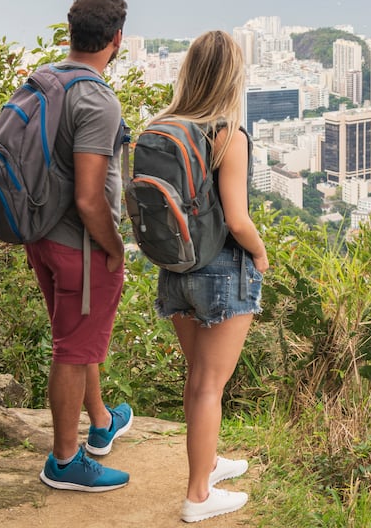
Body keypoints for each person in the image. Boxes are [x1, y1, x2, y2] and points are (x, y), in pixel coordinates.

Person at [153, 30, 268, 523]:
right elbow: (237, 220)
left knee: (198, 379)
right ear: (231, 78)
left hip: (174, 268)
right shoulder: (227, 133)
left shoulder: (162, 126)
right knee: (209, 386)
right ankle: (198, 495)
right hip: (221, 270)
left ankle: (209, 462)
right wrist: (261, 255)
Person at [31, 0, 134, 491]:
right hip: (80, 246)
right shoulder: (97, 99)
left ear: (72, 33)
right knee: (72, 350)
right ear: (117, 40)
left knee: (77, 336)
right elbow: (91, 199)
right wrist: (114, 246)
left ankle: (100, 422)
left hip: (41, 234)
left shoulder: (46, 79)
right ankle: (65, 462)